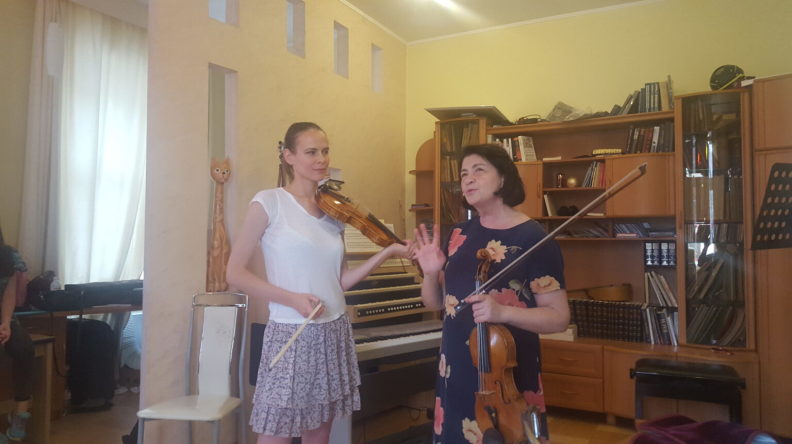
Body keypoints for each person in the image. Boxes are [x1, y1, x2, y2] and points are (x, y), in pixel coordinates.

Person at [226, 122, 412, 444]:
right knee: (276, 434)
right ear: (289, 156)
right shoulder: (269, 202)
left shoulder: (334, 213)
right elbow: (235, 273)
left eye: (325, 151)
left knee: (319, 433)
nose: (321, 159)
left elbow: (340, 282)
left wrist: (388, 251)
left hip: (333, 330)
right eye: (311, 152)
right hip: (292, 331)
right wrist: (292, 298)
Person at [411, 143, 570, 443]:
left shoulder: (534, 238)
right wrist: (430, 273)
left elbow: (559, 317)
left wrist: (502, 312)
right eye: (463, 174)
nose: (468, 179)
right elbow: (434, 303)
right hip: (456, 370)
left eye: (479, 170)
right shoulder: (458, 234)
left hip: (507, 375)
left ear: (503, 178)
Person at [0, 227, 35, 443]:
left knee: (24, 347)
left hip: (4, 318)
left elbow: (10, 294)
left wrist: (5, 323)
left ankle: (20, 416)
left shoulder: (8, 255)